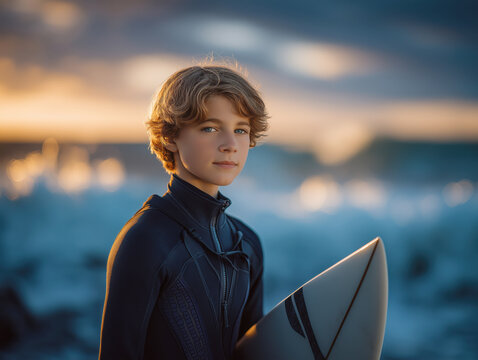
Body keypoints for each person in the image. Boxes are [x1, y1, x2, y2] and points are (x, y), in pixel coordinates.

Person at [98, 63, 269, 359]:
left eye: (241, 129)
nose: (230, 144)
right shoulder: (145, 241)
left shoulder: (247, 244)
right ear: (170, 136)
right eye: (210, 128)